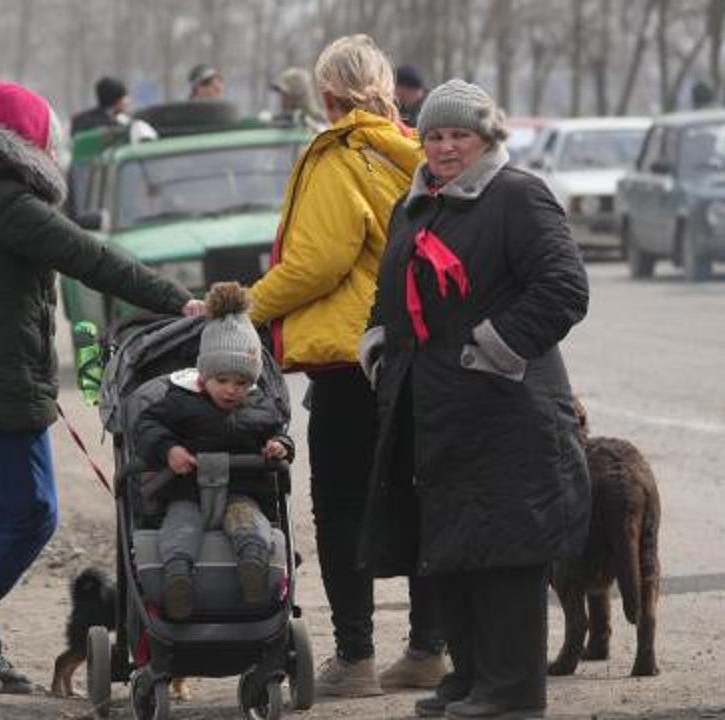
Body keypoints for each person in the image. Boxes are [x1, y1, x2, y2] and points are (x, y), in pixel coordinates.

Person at [0, 81, 202, 696]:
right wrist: (181, 302)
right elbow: (94, 259)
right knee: (32, 514)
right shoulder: (12, 206)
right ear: (25, 145)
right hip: (2, 386)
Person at [357, 79, 590, 720]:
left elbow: (564, 288)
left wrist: (491, 347)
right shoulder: (417, 205)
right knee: (452, 545)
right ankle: (472, 676)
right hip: (436, 412)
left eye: (460, 135)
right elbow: (391, 289)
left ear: (488, 138)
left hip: (506, 410)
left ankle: (512, 691)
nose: (446, 147)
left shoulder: (518, 196)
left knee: (504, 549)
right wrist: (378, 345)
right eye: (434, 136)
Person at [247, 33, 446, 698]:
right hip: (421, 350)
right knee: (420, 493)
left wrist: (244, 307)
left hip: (352, 357)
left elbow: (317, 262)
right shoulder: (419, 152)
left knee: (340, 504)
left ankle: (355, 658)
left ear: (327, 95)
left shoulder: (338, 156)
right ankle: (428, 649)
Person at [133, 282, 295, 620]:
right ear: (203, 375)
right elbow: (147, 426)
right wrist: (169, 449)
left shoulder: (260, 407)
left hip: (241, 492)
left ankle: (253, 570)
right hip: (186, 492)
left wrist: (279, 446)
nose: (231, 390)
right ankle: (178, 579)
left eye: (241, 382)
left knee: (250, 525)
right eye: (222, 381)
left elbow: (278, 432)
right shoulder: (180, 401)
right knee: (179, 530)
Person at [267, 67, 326, 132]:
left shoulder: (318, 122)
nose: (282, 99)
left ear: (298, 96)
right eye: (281, 94)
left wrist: (310, 124)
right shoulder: (280, 120)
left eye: (285, 94)